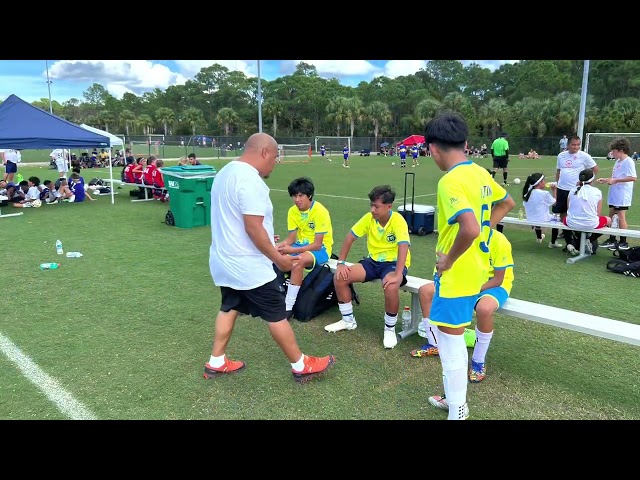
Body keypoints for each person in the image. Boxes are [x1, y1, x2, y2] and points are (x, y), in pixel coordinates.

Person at [204, 132, 335, 384]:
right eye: (275, 157)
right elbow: (253, 228)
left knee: (230, 306)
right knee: (276, 312)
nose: (275, 163)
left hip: (224, 259)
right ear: (264, 152)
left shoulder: (224, 173)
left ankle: (217, 361)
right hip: (248, 265)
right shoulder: (250, 180)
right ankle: (301, 364)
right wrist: (279, 258)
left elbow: (238, 221)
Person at [423, 112, 514, 420]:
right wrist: (487, 231)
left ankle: (458, 408)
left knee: (449, 341)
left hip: (457, 271)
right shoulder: (479, 173)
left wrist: (448, 258)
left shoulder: (449, 181)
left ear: (432, 148)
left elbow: (470, 228)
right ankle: (454, 399)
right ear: (465, 143)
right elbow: (506, 203)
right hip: (476, 268)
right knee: (452, 335)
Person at [411, 229, 514, 383]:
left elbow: (498, 279)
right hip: (466, 281)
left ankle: (478, 362)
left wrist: (471, 290)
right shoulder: (464, 237)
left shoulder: (499, 240)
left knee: (484, 309)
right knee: (425, 291)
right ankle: (434, 344)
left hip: (493, 286)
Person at [324, 185, 411, 349]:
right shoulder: (368, 218)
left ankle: (389, 329)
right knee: (340, 276)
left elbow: (403, 247)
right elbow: (350, 238)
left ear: (388, 206)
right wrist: (341, 263)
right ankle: (348, 320)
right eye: (371, 205)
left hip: (393, 263)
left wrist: (398, 273)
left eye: (376, 206)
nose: (373, 209)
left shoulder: (398, 220)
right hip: (373, 262)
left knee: (391, 286)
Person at [275, 177, 334, 317]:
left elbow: (317, 244)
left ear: (310, 196)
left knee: (298, 261)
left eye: (300, 196)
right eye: (294, 196)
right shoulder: (292, 211)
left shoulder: (320, 211)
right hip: (300, 246)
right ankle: (276, 296)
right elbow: (291, 239)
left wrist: (292, 250)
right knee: (275, 256)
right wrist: (279, 246)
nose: (297, 200)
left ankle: (288, 307)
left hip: (321, 249)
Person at [554, 134, 599, 251]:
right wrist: (557, 182)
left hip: (576, 190)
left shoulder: (584, 156)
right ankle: (569, 242)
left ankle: (580, 240)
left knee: (576, 213)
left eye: (578, 145)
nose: (576, 147)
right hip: (562, 189)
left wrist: (587, 182)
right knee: (563, 214)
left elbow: (595, 169)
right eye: (573, 145)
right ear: (568, 144)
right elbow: (558, 171)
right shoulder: (561, 156)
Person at [596, 137, 638, 251]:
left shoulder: (628, 161)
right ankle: (612, 239)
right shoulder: (618, 162)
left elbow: (633, 177)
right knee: (611, 216)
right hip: (614, 193)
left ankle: (623, 242)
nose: (612, 153)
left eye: (613, 151)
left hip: (622, 194)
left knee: (620, 217)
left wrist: (615, 181)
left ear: (620, 150)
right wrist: (607, 180)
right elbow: (616, 177)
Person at [564, 168, 612, 255]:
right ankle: (587, 240)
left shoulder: (572, 190)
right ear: (592, 179)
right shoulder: (597, 192)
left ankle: (571, 243)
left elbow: (568, 209)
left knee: (564, 219)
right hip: (590, 223)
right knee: (609, 220)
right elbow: (598, 214)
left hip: (572, 222)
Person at [522, 173, 562, 247]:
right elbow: (554, 203)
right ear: (539, 183)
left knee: (538, 215)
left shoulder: (527, 193)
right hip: (542, 219)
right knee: (557, 219)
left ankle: (539, 237)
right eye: (543, 181)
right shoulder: (544, 193)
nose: (545, 182)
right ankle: (553, 243)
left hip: (530, 218)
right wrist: (554, 190)